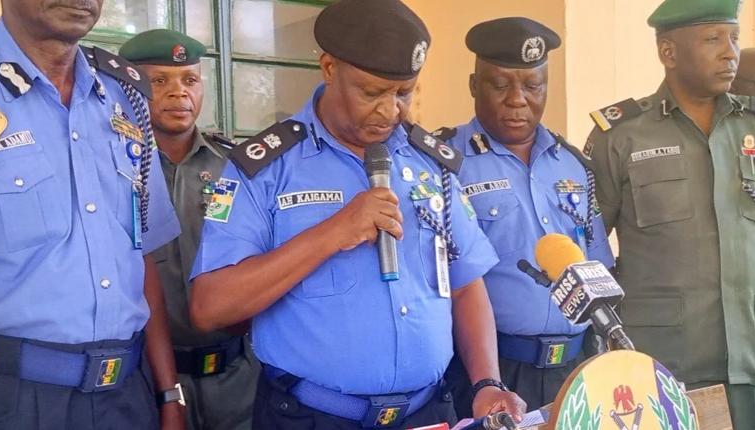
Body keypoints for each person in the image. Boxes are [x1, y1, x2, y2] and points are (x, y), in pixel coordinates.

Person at [188, 0, 527, 428]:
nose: (391, 111)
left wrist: (485, 383)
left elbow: (464, 284)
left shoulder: (431, 164)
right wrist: (332, 233)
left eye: (404, 92)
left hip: (428, 413)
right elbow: (210, 307)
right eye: (373, 92)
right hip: (312, 417)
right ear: (329, 69)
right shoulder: (265, 167)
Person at [0, 1, 186, 429]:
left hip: (127, 395)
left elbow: (141, 255)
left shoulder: (127, 96)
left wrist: (168, 392)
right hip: (10, 399)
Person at [586, 0, 755, 427]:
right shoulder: (621, 136)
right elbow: (589, 251)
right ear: (669, 52)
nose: (730, 52)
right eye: (713, 39)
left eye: (735, 38)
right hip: (666, 365)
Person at [437, 17, 614, 415]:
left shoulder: (574, 165)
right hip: (488, 372)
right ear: (473, 86)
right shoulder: (443, 163)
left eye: (533, 86)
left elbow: (598, 263)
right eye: (500, 85)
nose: (518, 100)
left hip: (574, 366)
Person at [119, 29, 260, 430]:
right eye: (158, 81)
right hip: (146, 378)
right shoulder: (116, 168)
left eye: (190, 80)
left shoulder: (238, 167)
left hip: (237, 377)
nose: (178, 93)